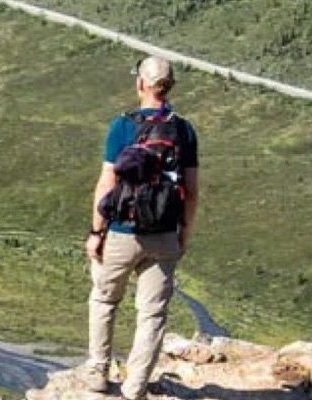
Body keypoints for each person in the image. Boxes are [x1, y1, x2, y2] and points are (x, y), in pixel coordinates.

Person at [85, 56, 201, 400]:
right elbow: (192, 193)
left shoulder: (122, 127)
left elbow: (106, 184)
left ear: (140, 84)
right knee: (152, 315)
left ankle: (97, 374)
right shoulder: (184, 130)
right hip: (164, 233)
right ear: (171, 87)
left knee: (105, 301)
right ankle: (135, 389)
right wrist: (183, 234)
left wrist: (96, 233)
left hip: (122, 231)